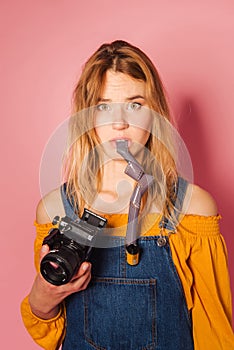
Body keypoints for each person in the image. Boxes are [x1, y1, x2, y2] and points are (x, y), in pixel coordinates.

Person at [21, 40, 234, 350]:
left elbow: (214, 334)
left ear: (155, 114)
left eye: (135, 104)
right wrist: (42, 299)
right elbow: (52, 334)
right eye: (103, 106)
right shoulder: (55, 210)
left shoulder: (193, 209)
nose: (119, 123)